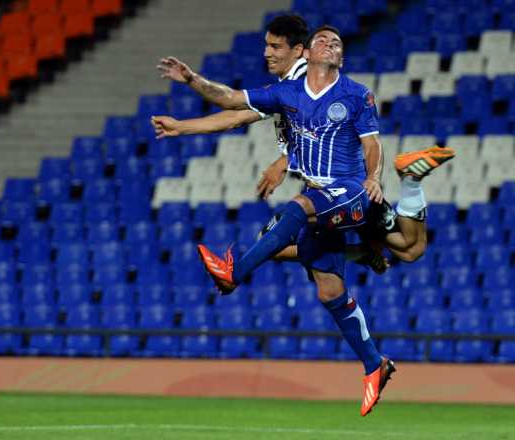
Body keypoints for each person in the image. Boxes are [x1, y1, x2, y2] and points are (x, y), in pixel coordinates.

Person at [155, 25, 396, 417]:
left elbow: (372, 143)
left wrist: (373, 178)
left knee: (298, 208)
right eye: (324, 39)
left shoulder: (355, 94)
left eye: (336, 42)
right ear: (309, 50)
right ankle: (374, 365)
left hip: (351, 192)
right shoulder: (286, 93)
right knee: (329, 292)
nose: (330, 44)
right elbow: (232, 103)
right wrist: (191, 83)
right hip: (323, 199)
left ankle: (234, 273)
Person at [154, 16, 454, 271]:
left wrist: (285, 160)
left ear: (299, 51)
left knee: (408, 249)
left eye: (274, 47)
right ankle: (369, 242)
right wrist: (182, 127)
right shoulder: (287, 87)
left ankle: (407, 187)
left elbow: (315, 127)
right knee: (404, 250)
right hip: (323, 189)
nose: (266, 53)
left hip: (339, 190)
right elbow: (236, 114)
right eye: (266, 45)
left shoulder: (305, 81)